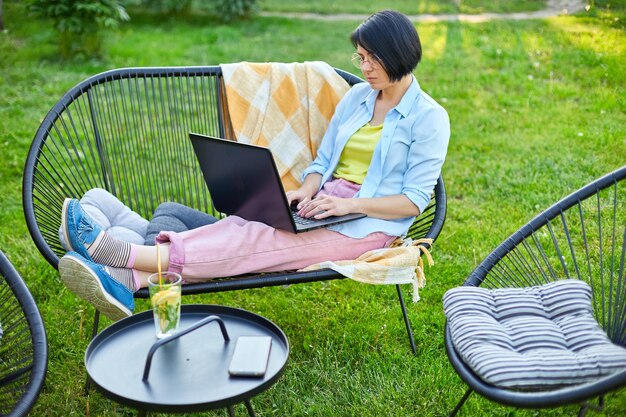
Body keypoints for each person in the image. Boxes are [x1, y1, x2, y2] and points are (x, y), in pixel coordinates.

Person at [58, 9, 450, 321]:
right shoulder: (358, 99)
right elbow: (324, 160)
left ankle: (118, 254)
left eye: (372, 58)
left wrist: (351, 206)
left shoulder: (429, 117)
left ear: (398, 53)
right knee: (248, 223)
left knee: (258, 241)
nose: (364, 68)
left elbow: (413, 202)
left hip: (369, 225)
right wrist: (306, 190)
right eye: (360, 58)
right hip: (326, 205)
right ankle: (128, 280)